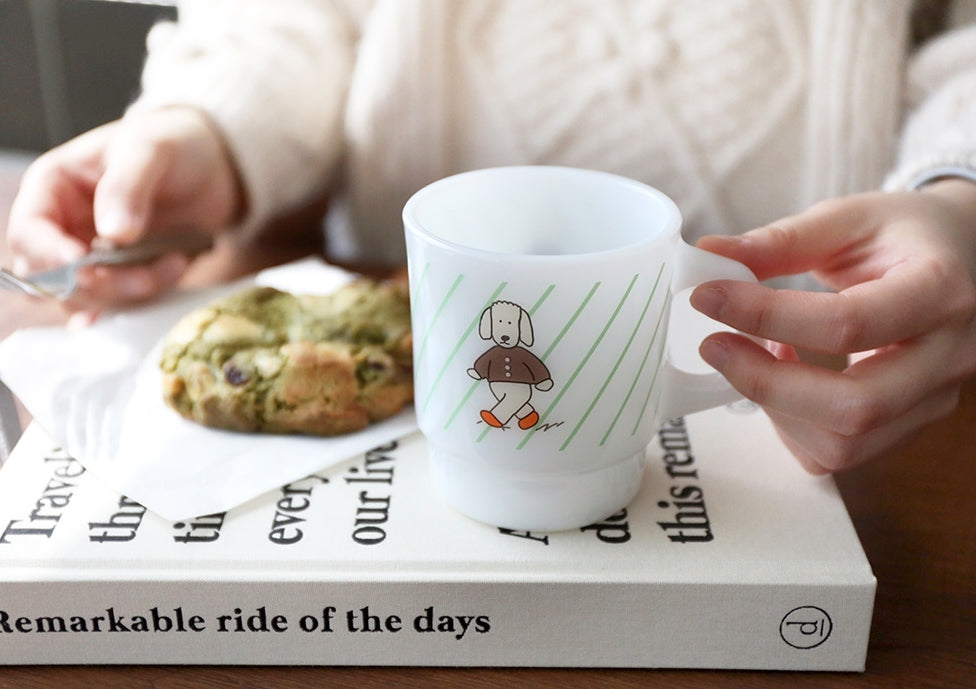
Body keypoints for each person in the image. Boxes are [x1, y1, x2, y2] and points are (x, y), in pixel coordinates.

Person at [6, 0, 976, 474]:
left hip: (843, 359)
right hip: (394, 301)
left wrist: (960, 191)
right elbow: (293, 22)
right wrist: (212, 128)